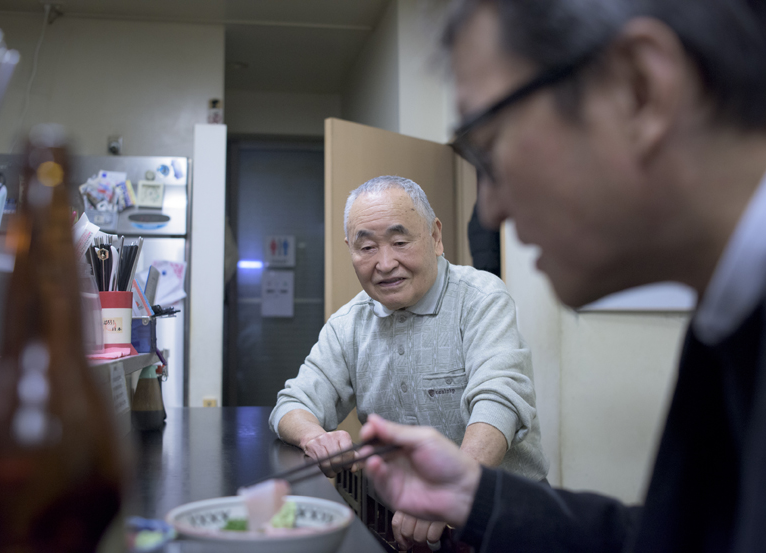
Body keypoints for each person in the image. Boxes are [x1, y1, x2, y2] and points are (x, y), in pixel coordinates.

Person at [360, 0, 766, 551]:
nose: (489, 212)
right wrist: (476, 497)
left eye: (489, 150)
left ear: (638, 89)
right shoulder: (728, 318)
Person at [270, 175, 548, 548]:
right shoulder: (348, 324)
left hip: (500, 522)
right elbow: (292, 403)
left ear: (435, 237)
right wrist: (315, 437)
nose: (385, 263)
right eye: (366, 247)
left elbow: (499, 399)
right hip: (400, 528)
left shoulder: (481, 298)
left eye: (400, 242)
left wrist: (448, 491)